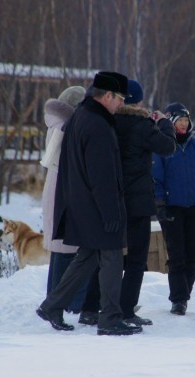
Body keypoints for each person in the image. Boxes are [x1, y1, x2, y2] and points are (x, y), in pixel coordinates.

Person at [36, 71, 141, 336]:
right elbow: (101, 175)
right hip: (97, 206)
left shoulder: (81, 117)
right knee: (112, 258)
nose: (121, 104)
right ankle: (110, 318)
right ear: (107, 96)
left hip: (82, 204)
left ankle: (52, 305)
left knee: (86, 258)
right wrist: (111, 212)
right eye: (120, 99)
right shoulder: (97, 125)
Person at [78, 80, 177, 327]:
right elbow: (168, 147)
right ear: (138, 102)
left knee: (106, 257)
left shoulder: (106, 121)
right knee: (136, 259)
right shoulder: (141, 125)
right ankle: (126, 309)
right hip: (137, 203)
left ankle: (90, 308)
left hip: (110, 200)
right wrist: (164, 123)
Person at [152, 102, 195, 316]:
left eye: (186, 120)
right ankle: (178, 300)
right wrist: (160, 204)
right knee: (177, 255)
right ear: (170, 122)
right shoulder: (163, 145)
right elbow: (156, 178)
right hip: (172, 208)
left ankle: (184, 293)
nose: (183, 124)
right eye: (179, 120)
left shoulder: (194, 145)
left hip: (193, 207)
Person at [39, 85, 87, 313]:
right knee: (67, 252)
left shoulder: (55, 124)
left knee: (60, 252)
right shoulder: (66, 127)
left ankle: (55, 297)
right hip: (63, 192)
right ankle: (66, 302)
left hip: (55, 189)